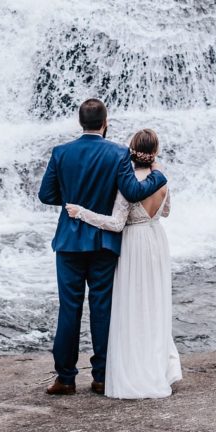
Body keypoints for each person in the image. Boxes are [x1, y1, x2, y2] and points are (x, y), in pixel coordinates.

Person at [38, 98, 167, 396]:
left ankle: (65, 378)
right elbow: (134, 190)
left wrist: (73, 200)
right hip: (104, 243)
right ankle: (101, 376)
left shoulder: (61, 152)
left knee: (69, 310)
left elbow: (46, 194)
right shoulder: (118, 153)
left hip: (69, 242)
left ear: (80, 122)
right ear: (105, 122)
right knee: (102, 309)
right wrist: (159, 175)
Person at [66, 128, 182, 399]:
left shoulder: (128, 182)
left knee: (131, 305)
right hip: (155, 241)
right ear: (155, 152)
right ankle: (158, 367)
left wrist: (81, 213)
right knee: (154, 304)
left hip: (133, 244)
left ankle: (134, 368)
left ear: (131, 151)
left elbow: (117, 224)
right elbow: (166, 211)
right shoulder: (161, 179)